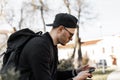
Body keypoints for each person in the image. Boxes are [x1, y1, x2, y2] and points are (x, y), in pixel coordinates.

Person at [18, 13, 93, 80]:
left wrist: (76, 72)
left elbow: (53, 75)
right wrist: (77, 79)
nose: (71, 39)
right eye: (70, 34)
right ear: (60, 29)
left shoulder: (51, 45)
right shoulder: (40, 46)